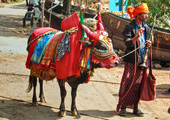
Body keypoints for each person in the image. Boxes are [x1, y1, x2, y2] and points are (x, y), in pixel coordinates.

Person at [116, 3, 152, 117]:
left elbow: (150, 40)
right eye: (144, 13)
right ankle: (123, 106)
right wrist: (137, 36)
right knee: (128, 82)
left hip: (142, 60)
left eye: (146, 13)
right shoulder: (129, 27)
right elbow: (127, 43)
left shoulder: (146, 27)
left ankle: (136, 107)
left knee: (138, 84)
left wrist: (150, 43)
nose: (146, 15)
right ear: (138, 15)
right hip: (131, 60)